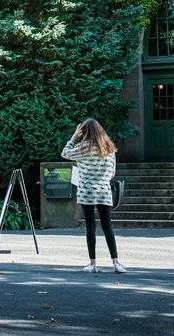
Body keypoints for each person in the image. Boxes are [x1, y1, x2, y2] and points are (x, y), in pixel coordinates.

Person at [61, 117, 125, 273]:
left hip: (87, 191)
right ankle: (116, 262)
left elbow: (65, 153)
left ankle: (93, 264)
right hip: (104, 191)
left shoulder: (84, 147)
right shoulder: (109, 148)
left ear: (85, 132)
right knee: (107, 226)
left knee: (90, 226)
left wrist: (73, 137)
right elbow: (112, 172)